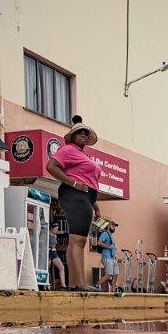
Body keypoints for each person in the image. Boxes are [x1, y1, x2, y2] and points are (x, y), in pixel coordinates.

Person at [46, 116, 102, 291]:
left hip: (84, 197)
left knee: (74, 241)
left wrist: (95, 205)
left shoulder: (82, 154)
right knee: (79, 241)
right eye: (80, 132)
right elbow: (51, 166)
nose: (84, 135)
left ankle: (73, 282)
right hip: (74, 195)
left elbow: (89, 182)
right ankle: (81, 283)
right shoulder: (68, 149)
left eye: (86, 132)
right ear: (72, 136)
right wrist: (73, 183)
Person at [97, 220, 120, 293]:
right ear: (109, 226)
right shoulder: (105, 234)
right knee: (108, 275)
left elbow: (112, 246)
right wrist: (109, 247)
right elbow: (99, 243)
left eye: (115, 227)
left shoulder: (111, 235)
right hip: (107, 257)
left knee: (115, 275)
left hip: (113, 258)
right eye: (113, 226)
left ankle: (113, 291)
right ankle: (96, 285)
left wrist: (115, 253)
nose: (114, 228)